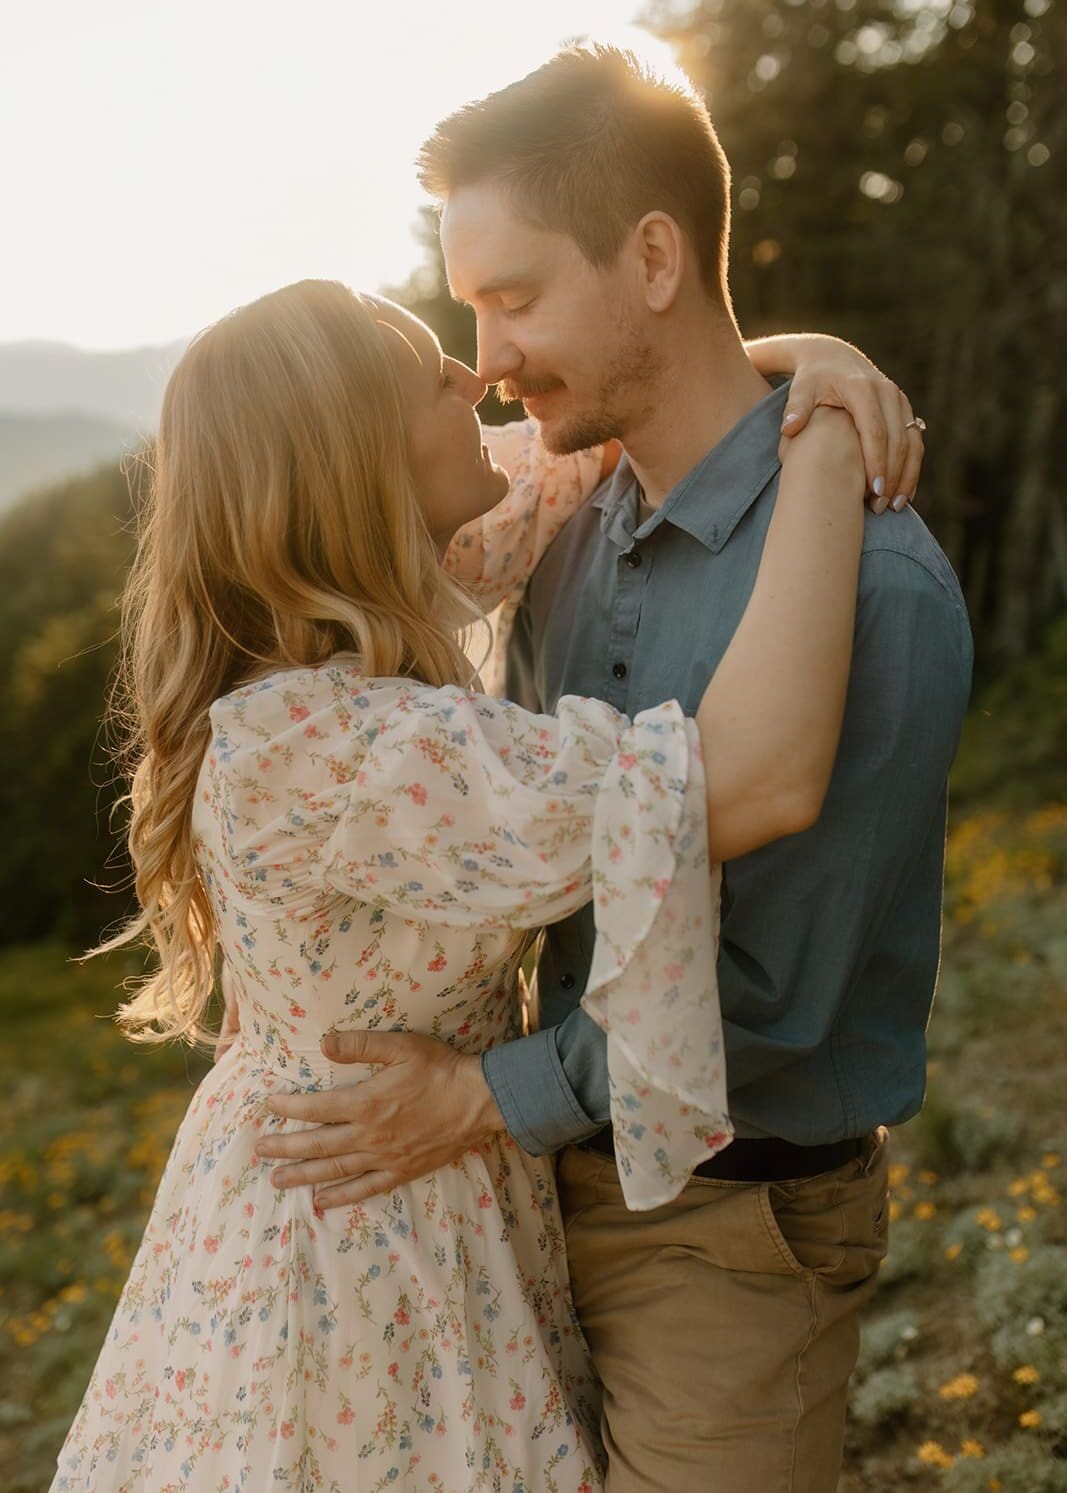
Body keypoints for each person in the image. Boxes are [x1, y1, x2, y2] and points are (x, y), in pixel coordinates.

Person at [257, 47, 974, 1493]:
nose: (490, 356)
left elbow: (769, 1005)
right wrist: (807, 354)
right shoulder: (565, 521)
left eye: (513, 299)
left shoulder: (872, 588)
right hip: (513, 1208)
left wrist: (468, 1098)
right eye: (468, 309)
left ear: (653, 257)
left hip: (725, 1238)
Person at [52, 273, 878, 1491]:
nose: (470, 376)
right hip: (360, 1236)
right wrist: (823, 454)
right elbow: (742, 780)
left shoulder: (371, 598)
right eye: (422, 374)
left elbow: (596, 436)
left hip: (381, 1179)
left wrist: (812, 353)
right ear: (350, 467)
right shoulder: (331, 748)